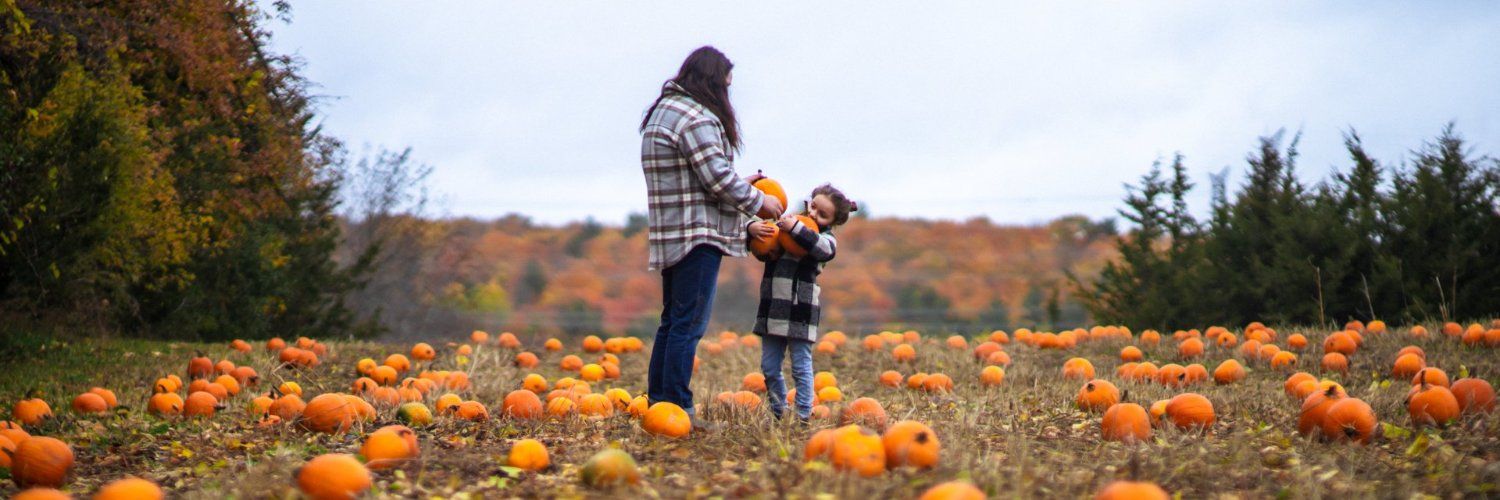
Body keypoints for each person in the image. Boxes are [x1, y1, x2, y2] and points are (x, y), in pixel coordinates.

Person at [639, 46, 783, 427]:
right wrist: (758, 201)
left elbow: (697, 178)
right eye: (726, 86)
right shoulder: (696, 117)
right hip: (696, 236)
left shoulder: (663, 112)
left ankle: (660, 406)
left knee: (672, 320)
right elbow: (717, 178)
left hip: (674, 230)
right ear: (712, 81)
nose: (727, 95)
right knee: (688, 324)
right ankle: (678, 409)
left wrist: (739, 185)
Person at [749, 183, 858, 421]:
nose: (814, 215)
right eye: (814, 207)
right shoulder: (784, 228)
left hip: (801, 310)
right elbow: (761, 244)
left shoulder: (825, 240)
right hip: (772, 308)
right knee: (769, 367)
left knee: (800, 367)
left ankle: (802, 416)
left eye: (823, 214)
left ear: (832, 222)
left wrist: (795, 227)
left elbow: (820, 247)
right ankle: (779, 412)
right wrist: (753, 229)